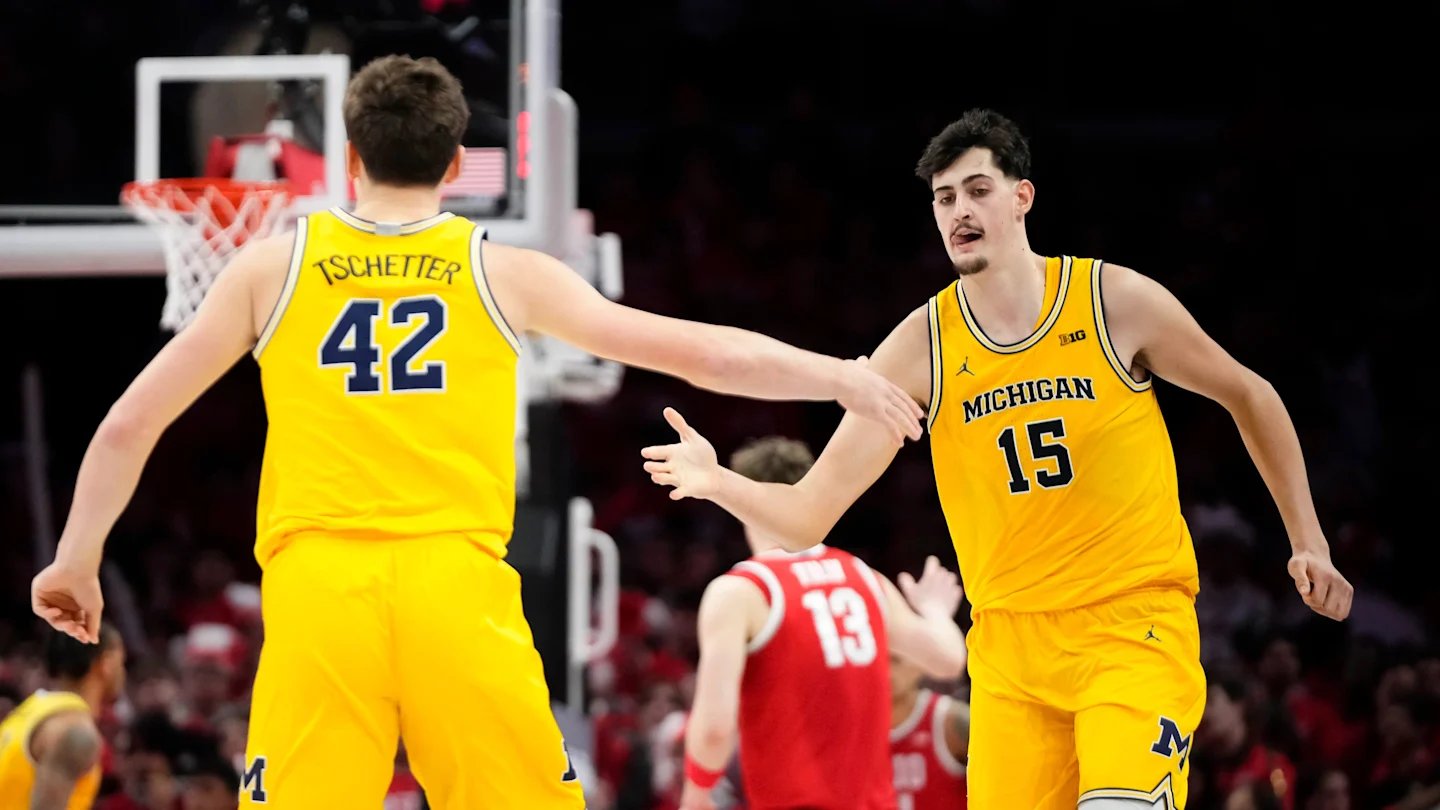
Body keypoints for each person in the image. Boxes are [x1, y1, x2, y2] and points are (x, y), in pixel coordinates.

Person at [27, 55, 924, 810]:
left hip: (318, 589)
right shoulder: (503, 272)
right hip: (453, 584)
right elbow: (697, 353)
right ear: (456, 163)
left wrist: (76, 558)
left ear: (349, 158)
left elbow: (129, 423)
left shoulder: (269, 268)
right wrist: (839, 374)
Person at [641, 108, 1354, 808]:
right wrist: (717, 481)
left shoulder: (1113, 301)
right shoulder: (921, 347)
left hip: (1130, 626)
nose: (960, 210)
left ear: (1022, 197)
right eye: (944, 198)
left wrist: (1308, 540)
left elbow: (1249, 394)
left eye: (978, 189)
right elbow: (807, 516)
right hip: (1009, 653)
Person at [681, 437, 967, 810]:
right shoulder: (862, 576)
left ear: (739, 502)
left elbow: (715, 729)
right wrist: (935, 610)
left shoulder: (740, 592)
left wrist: (697, 791)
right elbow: (948, 660)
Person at [0, 624, 126, 810]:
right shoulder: (73, 730)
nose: (123, 673)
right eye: (121, 663)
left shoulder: (30, 710)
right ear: (106, 663)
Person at [889, 650, 968, 810]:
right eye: (881, 661)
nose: (887, 670)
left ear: (920, 665)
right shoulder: (853, 725)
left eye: (895, 660)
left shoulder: (950, 720)